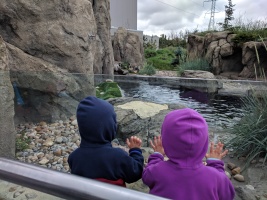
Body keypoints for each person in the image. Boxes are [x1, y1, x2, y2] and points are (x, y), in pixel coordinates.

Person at [142, 108, 235, 200]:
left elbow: (146, 176)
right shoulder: (216, 178)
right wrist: (216, 163)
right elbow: (228, 195)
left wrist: (157, 154)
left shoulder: (157, 171)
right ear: (204, 143)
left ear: (166, 142)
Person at [68, 96, 144, 187]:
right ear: (110, 127)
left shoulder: (74, 158)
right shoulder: (118, 156)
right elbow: (135, 173)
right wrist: (135, 151)